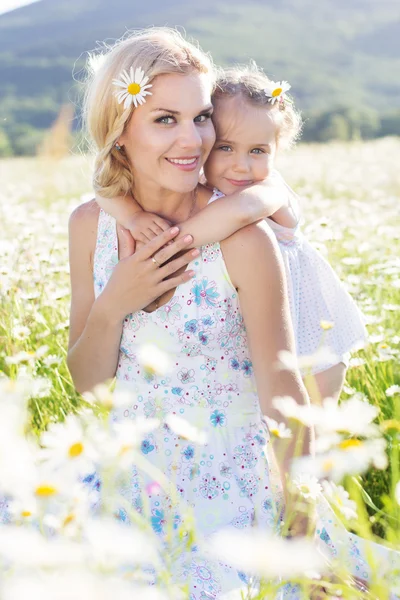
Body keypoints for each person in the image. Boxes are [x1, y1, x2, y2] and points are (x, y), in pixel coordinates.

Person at [68, 27, 316, 598]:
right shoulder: (90, 226)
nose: (194, 139)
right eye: (164, 119)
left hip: (225, 487)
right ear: (119, 131)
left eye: (201, 116)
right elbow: (87, 385)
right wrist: (115, 304)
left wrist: (299, 534)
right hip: (127, 482)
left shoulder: (243, 238)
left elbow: (284, 393)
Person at [95, 63, 367, 407]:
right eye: (225, 147)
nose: (242, 165)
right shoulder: (200, 184)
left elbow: (235, 213)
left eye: (258, 151)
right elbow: (103, 189)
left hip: (314, 339)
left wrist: (162, 250)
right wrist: (133, 216)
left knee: (313, 428)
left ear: (276, 150)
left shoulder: (267, 192)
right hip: (261, 339)